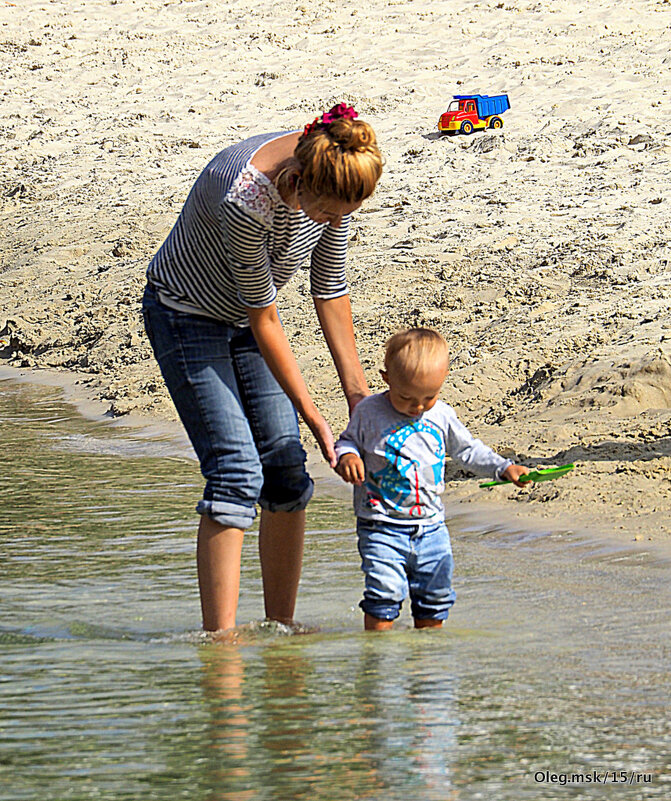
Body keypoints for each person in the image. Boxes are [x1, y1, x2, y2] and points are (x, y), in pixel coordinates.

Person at [142, 103, 383, 633]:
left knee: (286, 470)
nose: (335, 223)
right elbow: (265, 316)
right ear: (296, 184)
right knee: (235, 472)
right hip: (185, 315)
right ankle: (221, 646)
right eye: (327, 214)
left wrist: (358, 399)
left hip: (248, 319)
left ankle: (281, 631)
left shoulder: (334, 174)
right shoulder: (245, 197)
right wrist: (315, 417)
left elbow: (330, 289)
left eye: (344, 214)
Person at [334, 328, 529, 631]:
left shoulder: (442, 415)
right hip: (381, 526)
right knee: (383, 594)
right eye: (406, 397)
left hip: (432, 528)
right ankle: (376, 654)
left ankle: (428, 653)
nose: (418, 407)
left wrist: (503, 468)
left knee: (435, 597)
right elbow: (347, 441)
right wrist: (348, 457)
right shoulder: (369, 412)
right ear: (387, 378)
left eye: (429, 397)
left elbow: (467, 451)